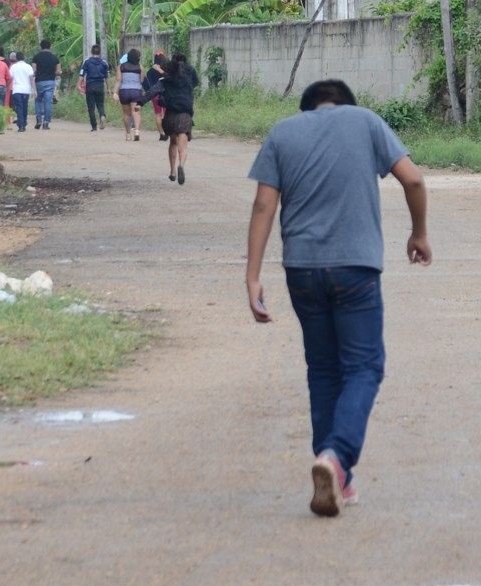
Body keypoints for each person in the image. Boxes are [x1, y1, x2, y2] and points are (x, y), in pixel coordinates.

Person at [244, 78, 432, 518]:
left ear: (307, 108)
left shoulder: (283, 131)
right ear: (344, 106)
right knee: (364, 367)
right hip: (356, 269)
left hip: (302, 271)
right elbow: (414, 180)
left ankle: (337, 477)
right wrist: (419, 233)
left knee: (324, 370)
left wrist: (252, 277)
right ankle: (336, 456)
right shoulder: (365, 121)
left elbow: (262, 206)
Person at [157, 52, 198, 183]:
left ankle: (173, 171)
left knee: (173, 142)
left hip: (170, 115)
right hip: (185, 114)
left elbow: (157, 90)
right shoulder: (190, 70)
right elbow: (195, 83)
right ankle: (181, 165)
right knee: (183, 144)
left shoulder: (169, 76)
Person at [77, 44, 112, 131]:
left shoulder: (87, 62)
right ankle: (102, 115)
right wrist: (108, 88)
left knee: (91, 107)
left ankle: (94, 126)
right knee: (100, 104)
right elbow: (107, 76)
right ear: (100, 52)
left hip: (90, 86)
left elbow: (82, 74)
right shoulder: (104, 63)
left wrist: (78, 85)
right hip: (100, 85)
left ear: (91, 52)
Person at [117, 48, 146, 141]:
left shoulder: (121, 67)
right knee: (136, 112)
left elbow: (118, 80)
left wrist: (114, 92)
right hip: (136, 91)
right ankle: (137, 131)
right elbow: (141, 81)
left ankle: (128, 134)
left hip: (124, 91)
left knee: (127, 114)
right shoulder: (140, 67)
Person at [32, 39, 61, 129]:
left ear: (41, 46)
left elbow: (34, 71)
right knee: (48, 102)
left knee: (38, 100)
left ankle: (38, 119)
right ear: (50, 46)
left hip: (39, 82)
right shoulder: (55, 58)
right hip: (50, 82)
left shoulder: (36, 57)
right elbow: (58, 72)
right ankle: (46, 123)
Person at [8, 51, 35, 132]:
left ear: (16, 58)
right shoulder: (28, 66)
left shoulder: (13, 67)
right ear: (24, 57)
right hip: (26, 90)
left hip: (16, 90)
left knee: (19, 107)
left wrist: (7, 87)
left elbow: (10, 79)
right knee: (24, 106)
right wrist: (34, 90)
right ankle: (23, 122)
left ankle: (21, 125)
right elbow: (31, 79)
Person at [145, 52, 168, 141]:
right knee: (166, 114)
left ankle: (161, 134)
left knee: (158, 114)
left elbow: (149, 84)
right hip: (165, 94)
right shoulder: (166, 70)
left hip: (155, 94)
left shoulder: (150, 71)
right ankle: (166, 132)